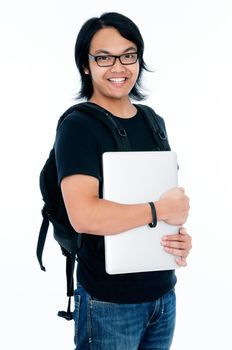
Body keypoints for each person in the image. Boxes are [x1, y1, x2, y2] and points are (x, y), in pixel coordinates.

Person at [55, 12, 192, 350]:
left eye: (128, 55)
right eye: (104, 57)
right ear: (86, 65)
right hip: (108, 302)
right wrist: (160, 210)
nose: (119, 67)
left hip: (163, 295)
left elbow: (162, 205)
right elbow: (84, 216)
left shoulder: (153, 121)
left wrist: (178, 238)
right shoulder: (78, 127)